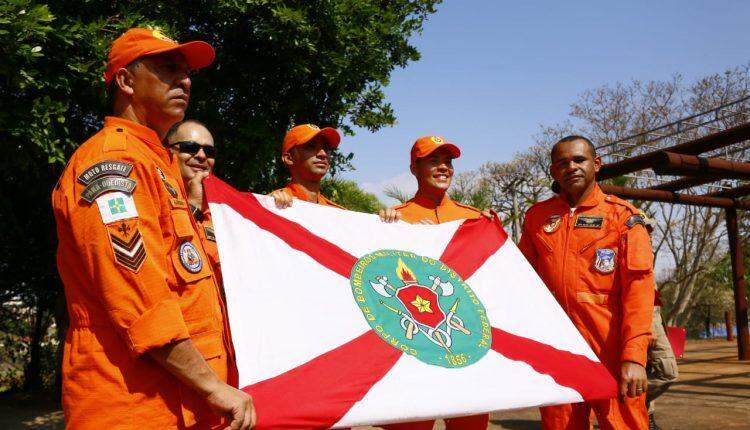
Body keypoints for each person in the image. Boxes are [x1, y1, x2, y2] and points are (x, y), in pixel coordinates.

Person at [52, 28, 254, 429]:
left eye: (186, 72)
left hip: (185, 400)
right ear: (126, 80)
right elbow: (138, 297)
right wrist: (213, 387)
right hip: (132, 404)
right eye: (167, 68)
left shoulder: (160, 165)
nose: (184, 80)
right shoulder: (114, 161)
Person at [518, 135, 655, 429]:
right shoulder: (536, 217)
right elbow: (520, 279)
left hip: (610, 349)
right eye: (562, 163)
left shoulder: (623, 218)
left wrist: (633, 358)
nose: (571, 167)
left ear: (596, 164)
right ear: (554, 172)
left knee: (623, 424)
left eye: (579, 160)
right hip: (558, 349)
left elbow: (639, 293)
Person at [379, 135, 490, 430]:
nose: (444, 168)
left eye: (448, 162)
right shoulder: (394, 220)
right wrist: (389, 231)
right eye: (433, 161)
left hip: (465, 340)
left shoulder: (476, 220)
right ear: (414, 168)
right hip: (414, 345)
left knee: (471, 423)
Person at [269, 123, 345, 209]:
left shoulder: (338, 213)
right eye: (311, 147)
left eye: (326, 149)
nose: (323, 154)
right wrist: (268, 205)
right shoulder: (272, 204)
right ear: (289, 158)